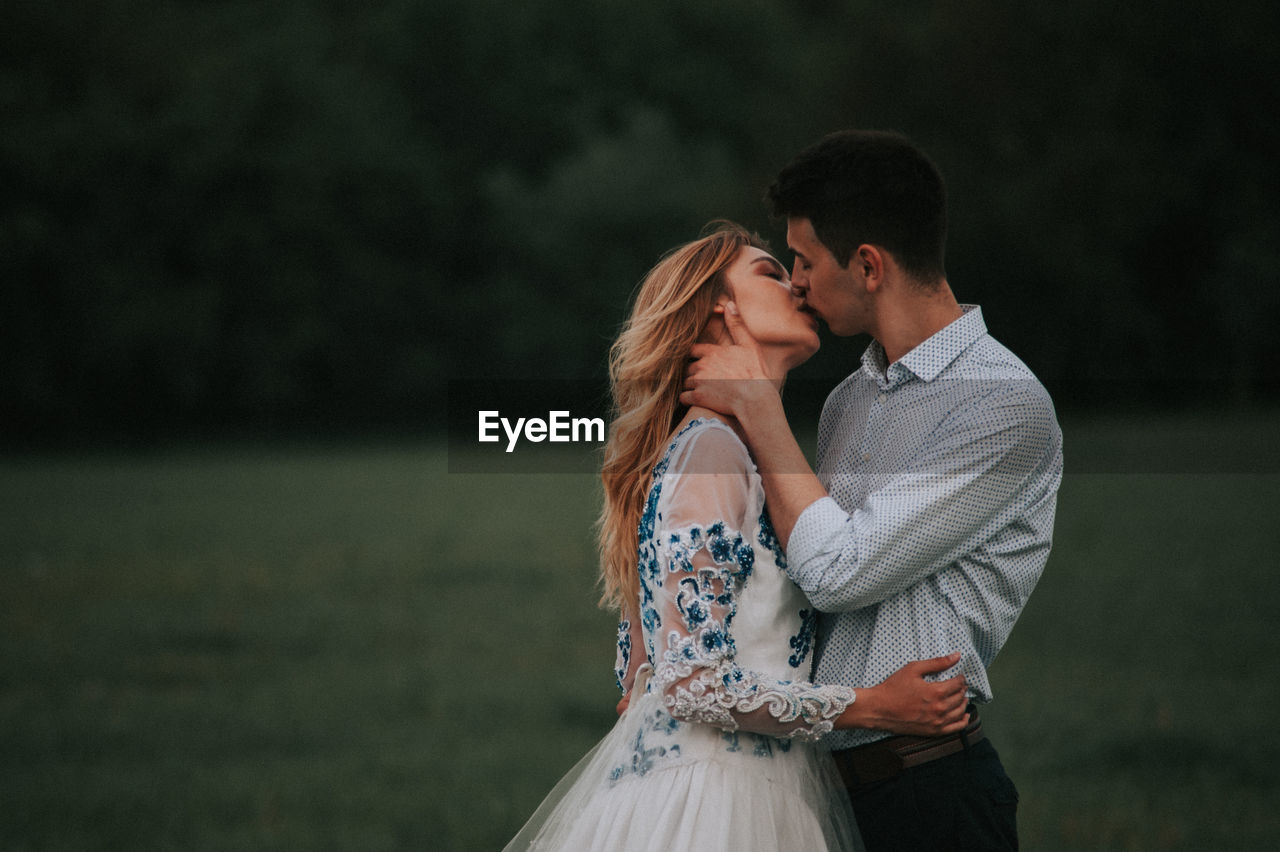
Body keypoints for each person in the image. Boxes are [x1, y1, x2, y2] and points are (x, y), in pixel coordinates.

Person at [505, 223, 973, 852]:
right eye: (771, 273)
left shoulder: (729, 452)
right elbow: (690, 682)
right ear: (720, 310)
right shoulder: (713, 452)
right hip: (711, 805)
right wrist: (872, 705)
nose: (797, 285)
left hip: (755, 785)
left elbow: (639, 671)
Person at [681, 131, 1064, 850]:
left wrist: (761, 409)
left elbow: (835, 571)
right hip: (815, 791)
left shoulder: (1004, 408)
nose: (795, 282)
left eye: (803, 261)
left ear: (867, 265)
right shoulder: (849, 401)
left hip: (928, 794)